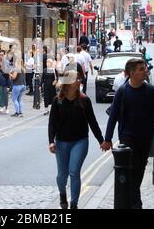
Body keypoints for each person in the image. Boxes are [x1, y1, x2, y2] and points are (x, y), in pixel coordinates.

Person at [101, 58, 154, 209]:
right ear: (132, 73)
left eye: (145, 68)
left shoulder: (151, 91)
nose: (145, 71)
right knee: (128, 170)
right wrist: (107, 139)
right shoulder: (122, 91)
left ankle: (133, 201)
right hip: (127, 137)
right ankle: (136, 204)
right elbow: (113, 116)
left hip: (145, 138)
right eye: (141, 69)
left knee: (139, 169)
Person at [48, 69, 104, 209]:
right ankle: (62, 195)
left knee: (74, 171)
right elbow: (52, 123)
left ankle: (74, 204)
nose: (79, 81)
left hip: (80, 141)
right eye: (76, 79)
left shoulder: (84, 100)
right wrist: (51, 141)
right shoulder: (58, 101)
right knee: (62, 175)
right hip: (61, 142)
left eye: (79, 78)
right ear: (68, 83)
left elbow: (93, 122)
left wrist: (101, 140)